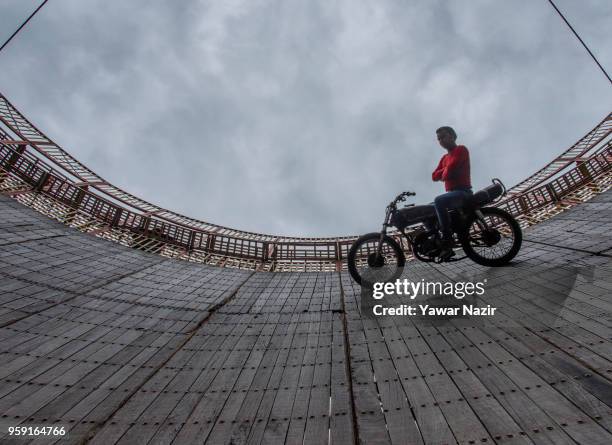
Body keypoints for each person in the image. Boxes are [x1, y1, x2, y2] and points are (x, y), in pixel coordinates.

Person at [431, 126, 472, 259]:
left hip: (463, 192)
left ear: (453, 136)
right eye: (438, 139)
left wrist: (445, 172)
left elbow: (452, 167)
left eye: (443, 136)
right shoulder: (444, 158)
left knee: (438, 200)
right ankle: (436, 241)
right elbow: (434, 176)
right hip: (452, 195)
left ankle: (447, 239)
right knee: (426, 210)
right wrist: (446, 172)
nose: (441, 140)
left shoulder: (461, 149)